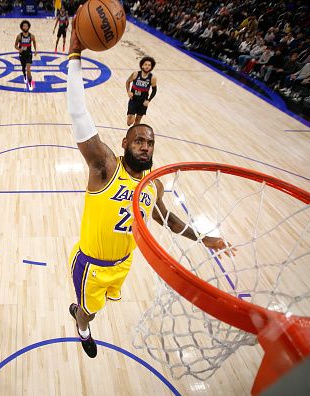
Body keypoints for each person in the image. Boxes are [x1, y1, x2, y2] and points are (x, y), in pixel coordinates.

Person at [65, 16, 235, 358]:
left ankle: (84, 312)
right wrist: (74, 57)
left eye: (150, 142)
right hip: (92, 264)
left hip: (125, 263)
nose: (145, 145)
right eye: (139, 140)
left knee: (102, 304)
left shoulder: (151, 186)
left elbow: (169, 220)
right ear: (125, 144)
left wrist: (206, 238)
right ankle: (81, 326)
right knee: (90, 312)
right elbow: (79, 116)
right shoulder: (105, 168)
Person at [125, 57, 157, 126]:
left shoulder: (152, 78)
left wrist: (148, 100)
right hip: (133, 99)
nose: (147, 66)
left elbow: (154, 90)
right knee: (129, 122)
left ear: (151, 67)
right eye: (146, 64)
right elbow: (128, 81)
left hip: (143, 101)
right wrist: (128, 91)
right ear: (142, 65)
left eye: (149, 65)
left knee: (137, 122)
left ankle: (132, 136)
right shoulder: (135, 74)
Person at [15, 20, 37, 91]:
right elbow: (15, 45)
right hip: (22, 54)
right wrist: (19, 49)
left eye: (26, 25)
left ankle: (30, 83)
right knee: (23, 68)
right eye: (24, 26)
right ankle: (24, 76)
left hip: (29, 54)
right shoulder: (19, 36)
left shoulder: (32, 36)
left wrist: (35, 50)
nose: (25, 27)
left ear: (28, 27)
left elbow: (34, 42)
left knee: (28, 69)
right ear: (22, 27)